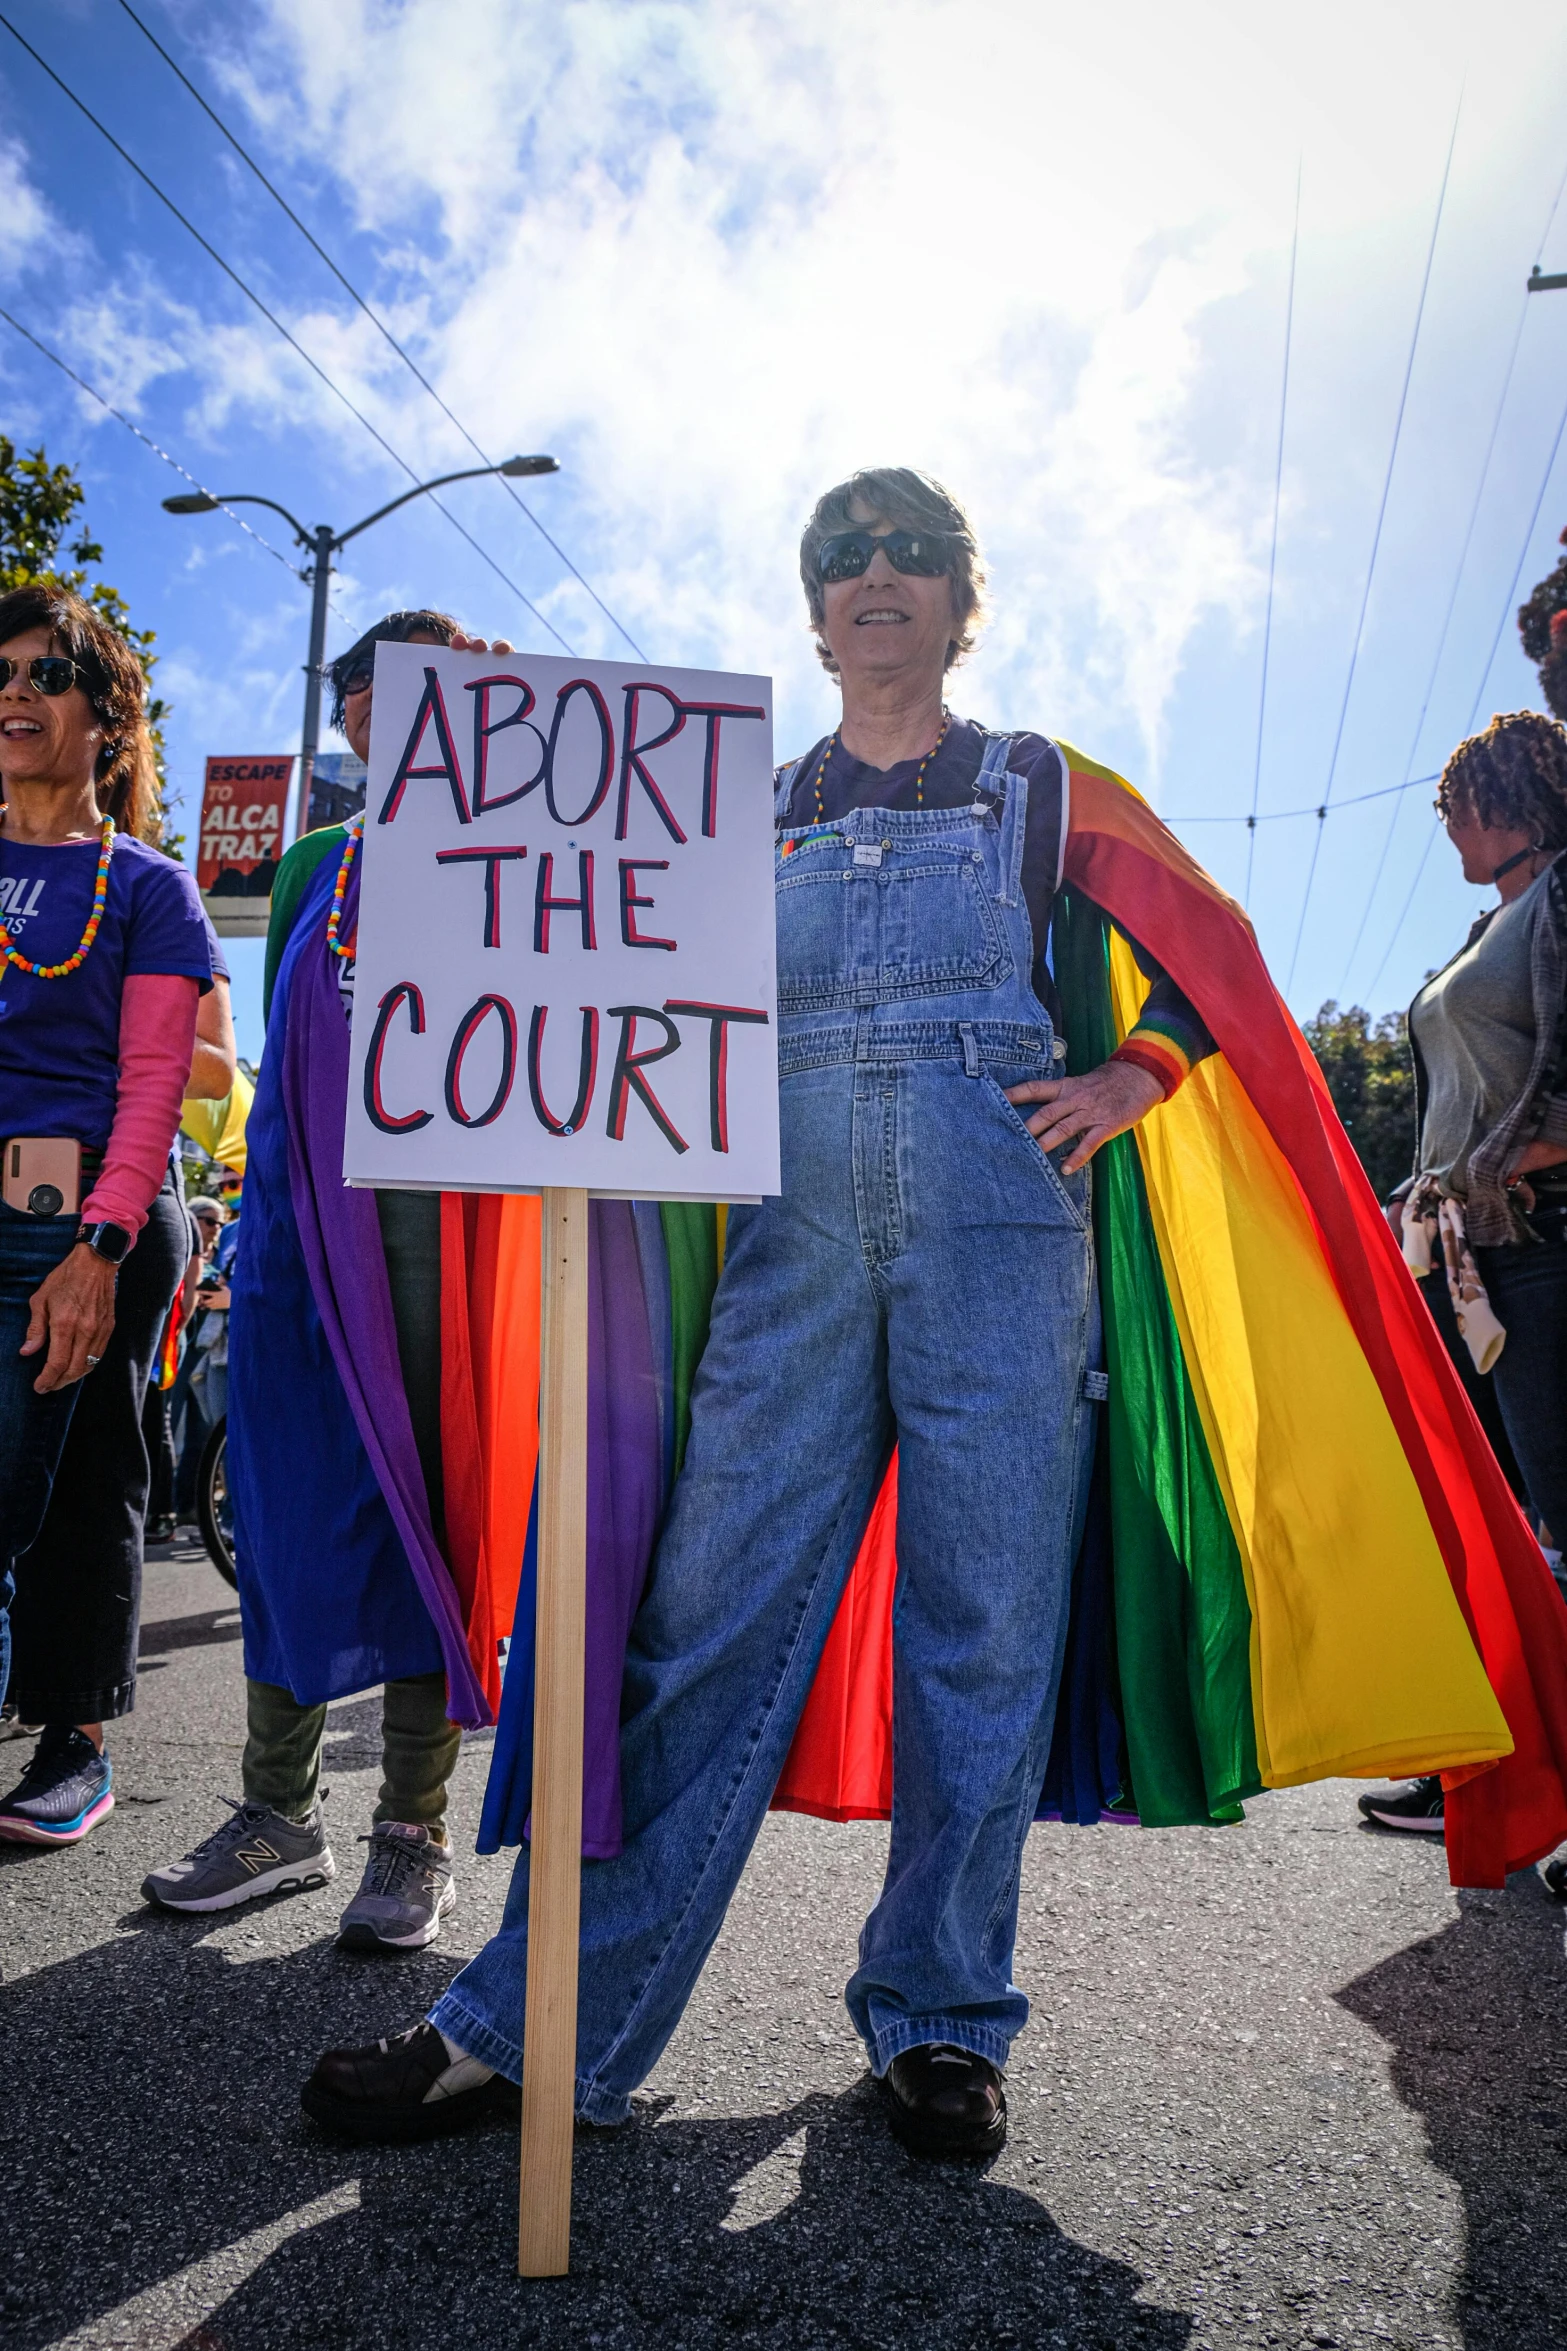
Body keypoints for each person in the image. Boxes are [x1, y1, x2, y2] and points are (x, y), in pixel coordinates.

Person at [303, 470, 1567, 2159]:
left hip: (1000, 1238)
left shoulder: (1039, 782)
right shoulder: (724, 808)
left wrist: (1136, 1070)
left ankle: (941, 2022)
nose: (876, 577)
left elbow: (1213, 955)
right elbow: (599, 994)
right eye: (842, 557)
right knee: (694, 1623)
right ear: (812, 608)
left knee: (983, 1629)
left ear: (961, 601)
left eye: (911, 554)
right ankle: (530, 2025)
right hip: (789, 1249)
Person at [143, 609, 519, 1950]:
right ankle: (274, 1814)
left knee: (430, 1522)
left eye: (445, 685)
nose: (399, 706)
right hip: (300, 1245)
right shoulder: (310, 866)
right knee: (288, 1516)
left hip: (444, 1248)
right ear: (350, 714)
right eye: (374, 684)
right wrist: (250, 1237)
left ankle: (409, 1833)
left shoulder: (515, 863)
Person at [0, 583, 212, 1844]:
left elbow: (150, 1090)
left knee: (80, 1480)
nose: (14, 690)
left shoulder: (149, 890)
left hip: (86, 1217)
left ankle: (73, 1738)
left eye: (47, 671)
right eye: (3, 669)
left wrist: (99, 1246)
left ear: (107, 719)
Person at [1356, 710, 1567, 1845]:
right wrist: (1419, 1188)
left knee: (1558, 1526)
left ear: (1492, 801)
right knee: (1471, 1521)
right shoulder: (1490, 922)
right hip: (1462, 1257)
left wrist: (1500, 1161)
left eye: (1448, 809)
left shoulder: (1561, 901)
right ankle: (1480, 1771)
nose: (1443, 830)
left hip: (1541, 1250)